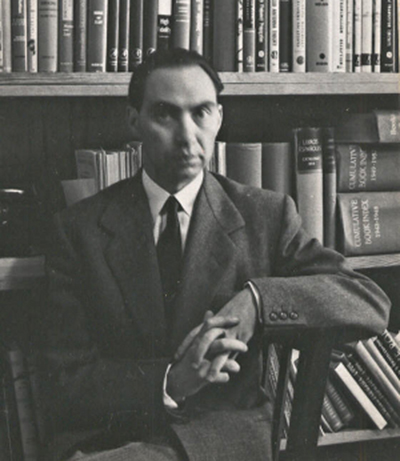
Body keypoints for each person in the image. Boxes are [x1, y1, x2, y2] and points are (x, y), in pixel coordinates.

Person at [36, 48, 390, 461]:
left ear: (219, 118)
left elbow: (368, 302)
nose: (187, 136)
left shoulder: (265, 216)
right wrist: (170, 382)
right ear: (134, 120)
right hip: (115, 439)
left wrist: (257, 302)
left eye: (201, 112)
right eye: (165, 114)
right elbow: (63, 381)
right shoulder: (78, 230)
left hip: (222, 443)